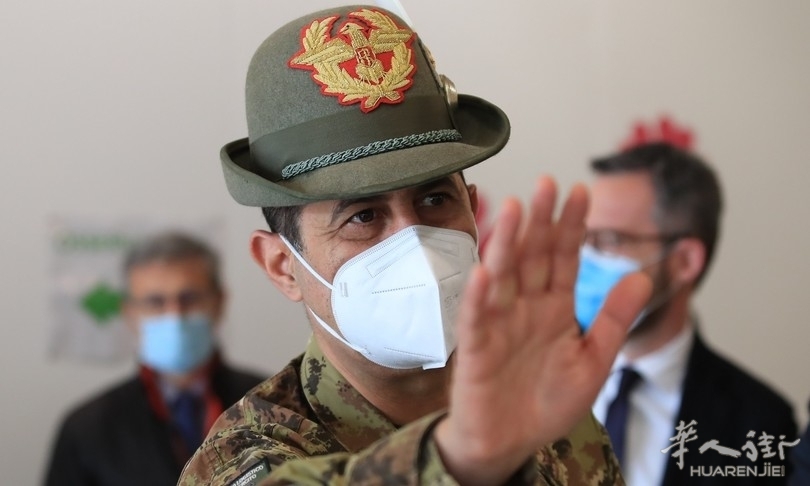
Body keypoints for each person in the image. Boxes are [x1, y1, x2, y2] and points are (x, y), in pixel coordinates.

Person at [178, 5, 653, 485]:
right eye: (363, 216)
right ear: (282, 265)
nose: (415, 241)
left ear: (472, 208)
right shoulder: (245, 457)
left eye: (434, 199)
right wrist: (464, 458)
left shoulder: (542, 412)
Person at [579, 142, 797, 485]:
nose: (585, 258)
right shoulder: (532, 382)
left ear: (685, 261)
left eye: (609, 240)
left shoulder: (760, 422)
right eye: (582, 237)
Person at [44, 232, 265, 486]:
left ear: (219, 303)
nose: (174, 315)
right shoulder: (87, 429)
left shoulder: (270, 404)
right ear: (129, 313)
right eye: (155, 302)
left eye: (189, 298)